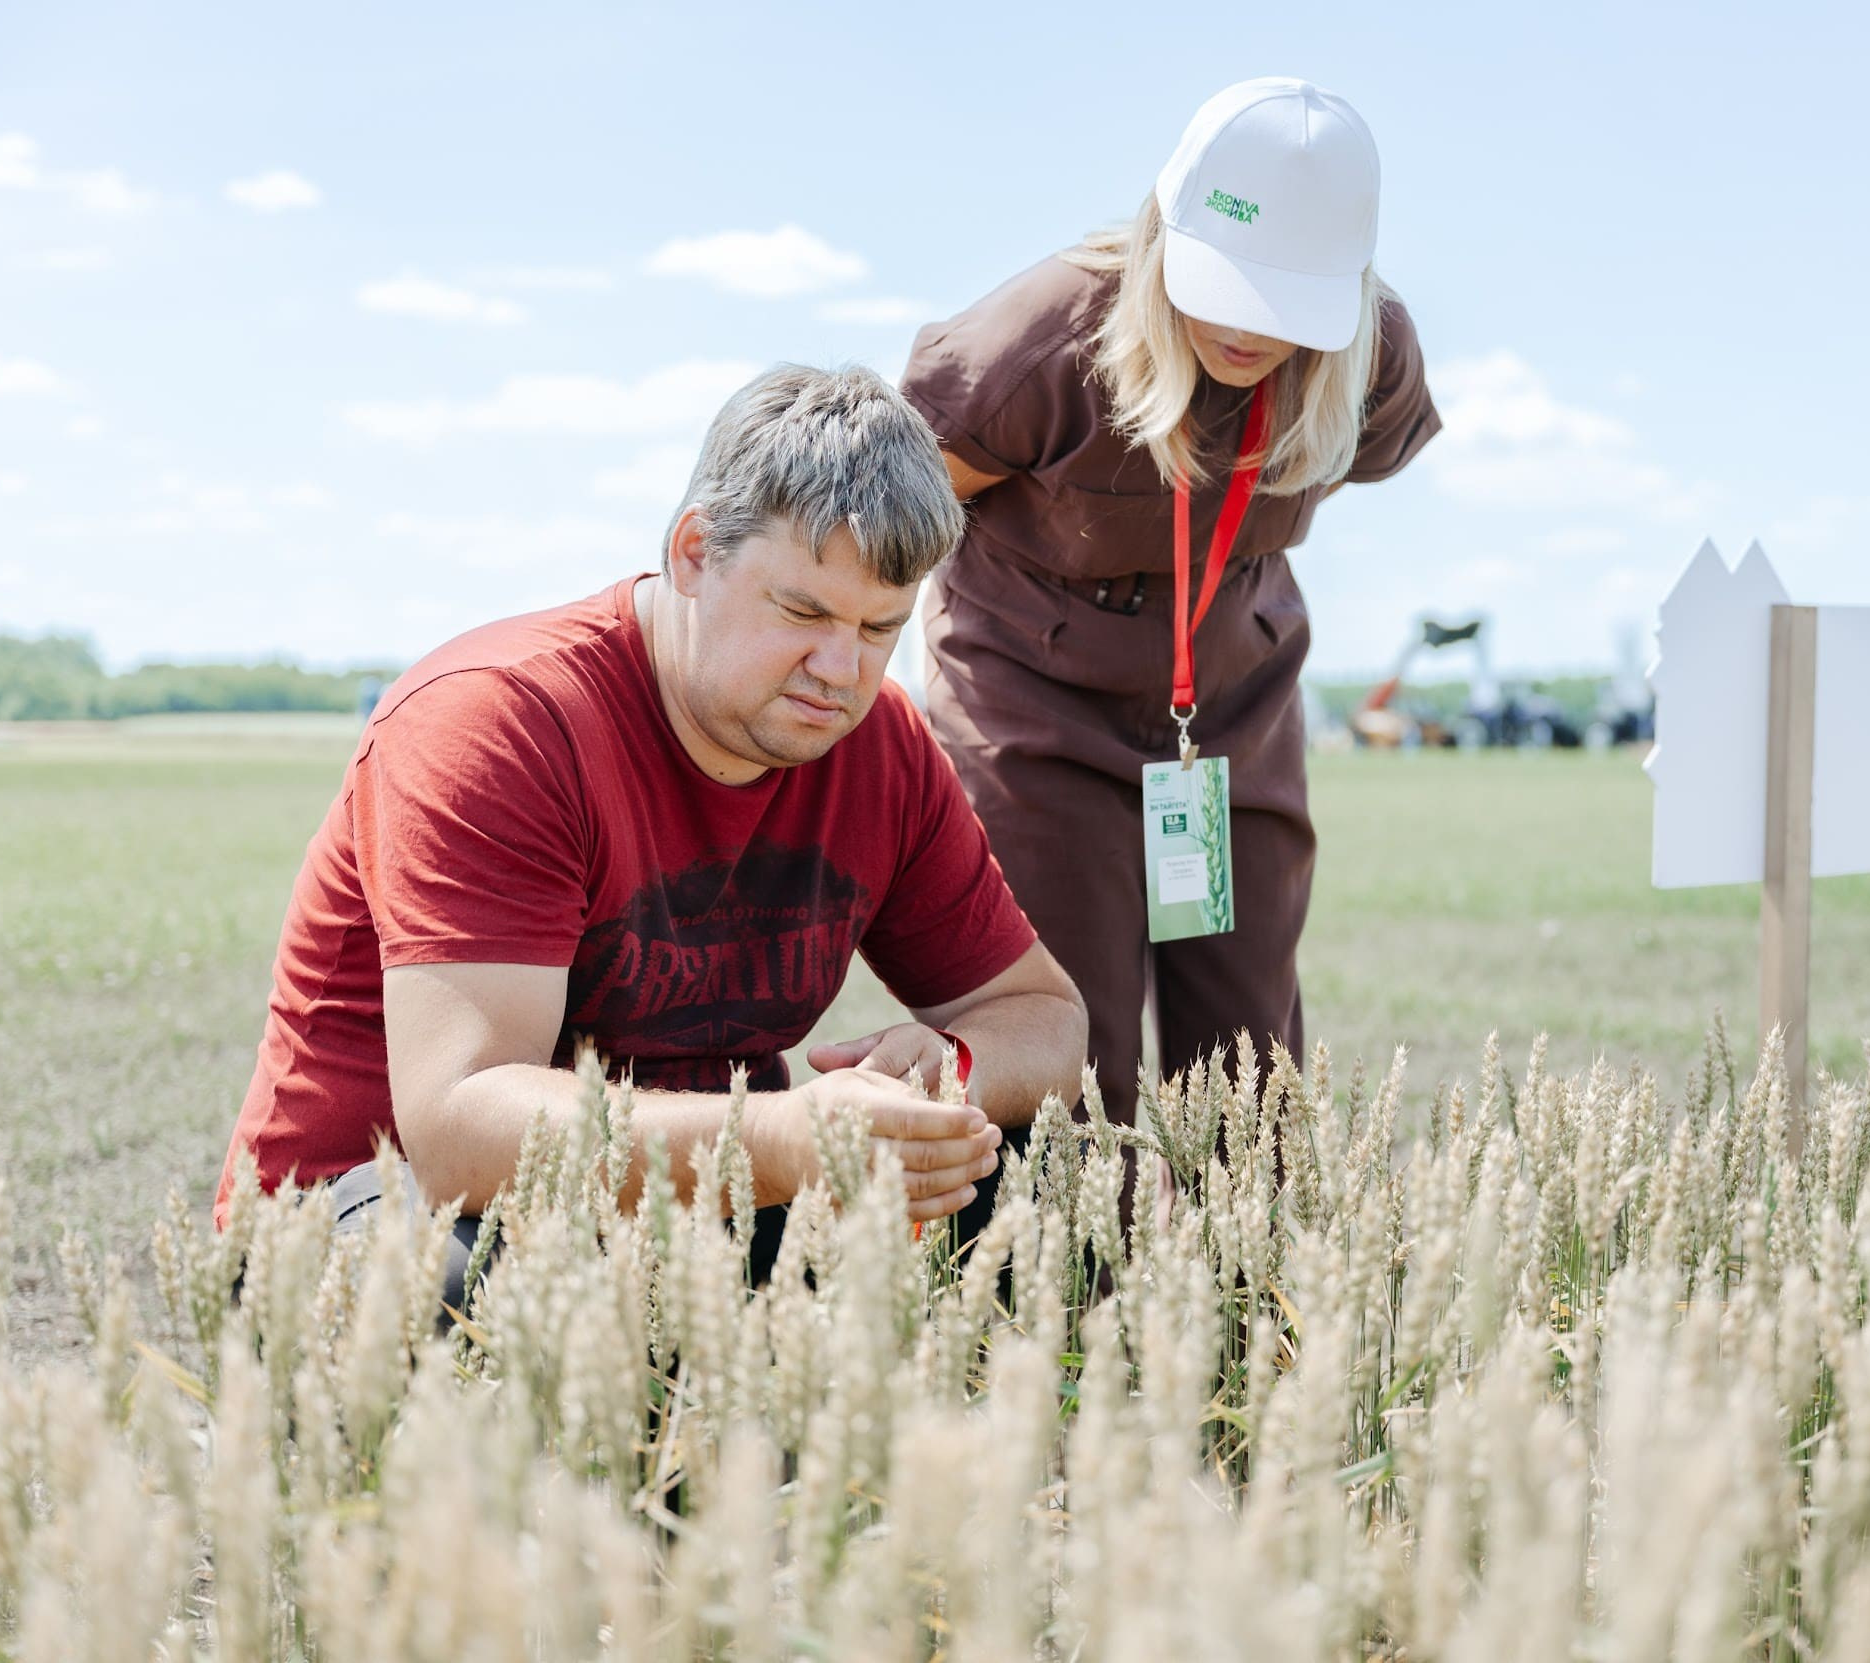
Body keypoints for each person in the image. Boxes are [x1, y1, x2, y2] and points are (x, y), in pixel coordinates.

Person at [215, 365, 1088, 1292]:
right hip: (376, 1214)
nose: (841, 669)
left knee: (1042, 1178)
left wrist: (945, 1071)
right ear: (694, 551)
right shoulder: (497, 722)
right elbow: (458, 1134)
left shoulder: (882, 747)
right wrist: (785, 1140)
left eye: (881, 627)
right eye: (803, 611)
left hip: (698, 1204)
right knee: (481, 1284)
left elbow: (1048, 1021)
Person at [901, 77, 1440, 1133]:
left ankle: (1251, 1291)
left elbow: (1369, 451)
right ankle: (1060, 1287)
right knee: (1065, 1039)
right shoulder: (1037, 344)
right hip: (1033, 704)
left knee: (1248, 1061)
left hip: (1230, 705)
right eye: (1226, 286)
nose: (1248, 331)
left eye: (1286, 304)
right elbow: (907, 512)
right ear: (1164, 234)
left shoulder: (1370, 361)